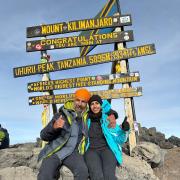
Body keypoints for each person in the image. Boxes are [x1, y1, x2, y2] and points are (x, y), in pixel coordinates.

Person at [37, 88, 117, 180]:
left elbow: (102, 107)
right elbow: (43, 136)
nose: (79, 104)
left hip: (74, 153)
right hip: (55, 151)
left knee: (83, 172)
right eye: (78, 100)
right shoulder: (61, 115)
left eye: (83, 101)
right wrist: (53, 127)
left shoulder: (87, 116)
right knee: (44, 175)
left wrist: (112, 114)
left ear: (86, 104)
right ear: (74, 100)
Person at [84, 95, 130, 180]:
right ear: (89, 106)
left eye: (97, 103)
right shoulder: (85, 119)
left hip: (107, 150)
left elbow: (120, 139)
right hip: (91, 151)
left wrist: (125, 130)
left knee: (109, 176)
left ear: (101, 105)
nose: (95, 106)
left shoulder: (107, 119)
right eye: (92, 104)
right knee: (97, 176)